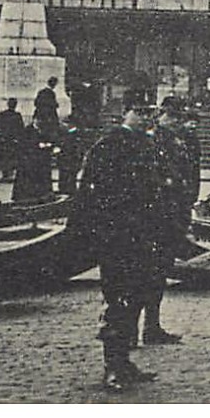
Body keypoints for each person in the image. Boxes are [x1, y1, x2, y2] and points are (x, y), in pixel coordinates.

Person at [68, 97, 162, 391]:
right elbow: (89, 192)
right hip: (116, 236)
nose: (147, 118)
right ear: (125, 114)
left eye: (151, 113)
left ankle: (124, 362)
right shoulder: (109, 145)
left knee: (135, 296)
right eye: (140, 112)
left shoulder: (147, 145)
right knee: (118, 299)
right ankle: (112, 366)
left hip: (142, 235)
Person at [137, 96, 197, 346]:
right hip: (154, 218)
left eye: (178, 117)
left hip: (171, 215)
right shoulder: (152, 141)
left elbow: (188, 178)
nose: (176, 122)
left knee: (159, 272)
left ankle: (152, 325)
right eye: (172, 116)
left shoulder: (177, 140)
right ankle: (132, 331)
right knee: (144, 273)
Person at [12, 122, 55, 203]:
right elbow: (25, 144)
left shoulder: (43, 130)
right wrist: (38, 145)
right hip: (29, 159)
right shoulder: (28, 130)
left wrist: (48, 145)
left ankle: (40, 195)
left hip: (40, 159)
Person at [0, 98, 24, 182]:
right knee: (11, 156)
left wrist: (1, 132)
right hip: (12, 139)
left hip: (5, 138)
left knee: (5, 156)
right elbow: (21, 128)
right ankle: (9, 172)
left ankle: (6, 173)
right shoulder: (17, 115)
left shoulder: (3, 114)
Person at [54, 116, 85, 194]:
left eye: (65, 123)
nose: (63, 125)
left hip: (69, 160)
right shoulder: (69, 134)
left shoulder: (71, 135)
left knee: (68, 179)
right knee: (68, 179)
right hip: (67, 160)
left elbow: (76, 149)